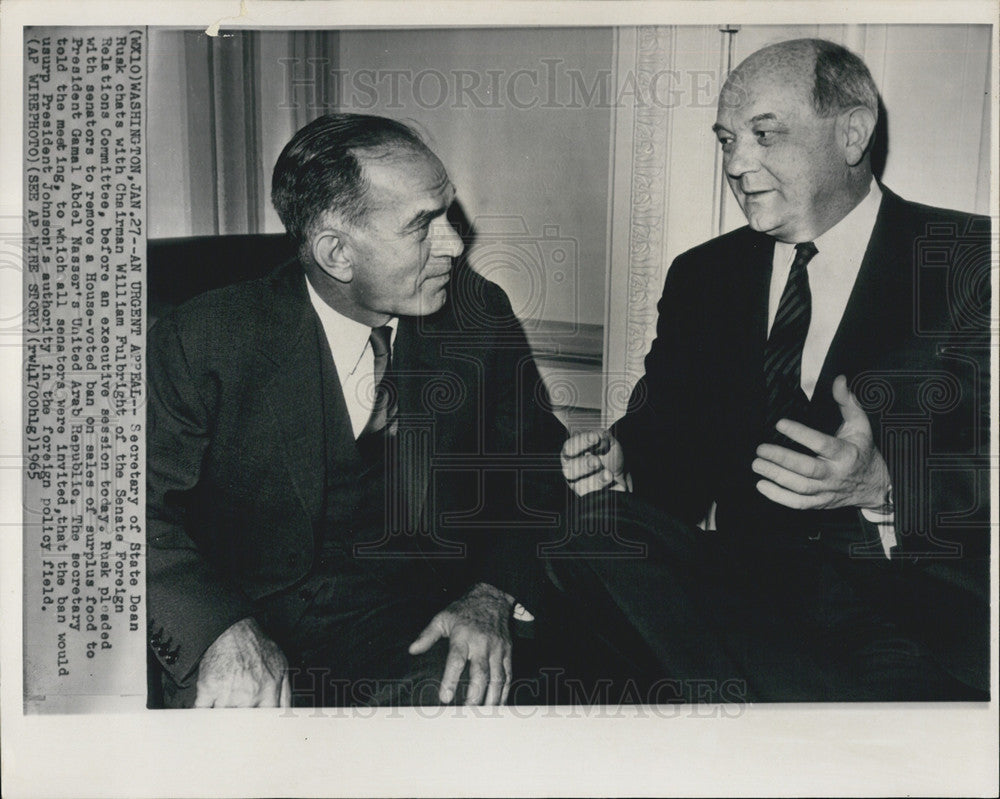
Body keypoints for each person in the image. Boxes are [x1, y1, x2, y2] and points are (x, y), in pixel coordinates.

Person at [554, 38, 990, 701]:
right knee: (592, 533)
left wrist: (885, 488)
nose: (736, 163)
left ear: (852, 133)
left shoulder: (973, 262)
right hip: (742, 595)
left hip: (905, 610)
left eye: (764, 135)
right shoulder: (705, 275)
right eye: (727, 140)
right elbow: (666, 439)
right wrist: (625, 462)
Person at [147, 114, 564, 708]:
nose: (453, 243)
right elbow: (131, 513)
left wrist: (491, 594)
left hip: (412, 625)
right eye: (423, 225)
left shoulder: (477, 316)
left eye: (448, 213)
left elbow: (536, 472)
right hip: (247, 629)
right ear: (336, 252)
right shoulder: (204, 340)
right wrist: (217, 630)